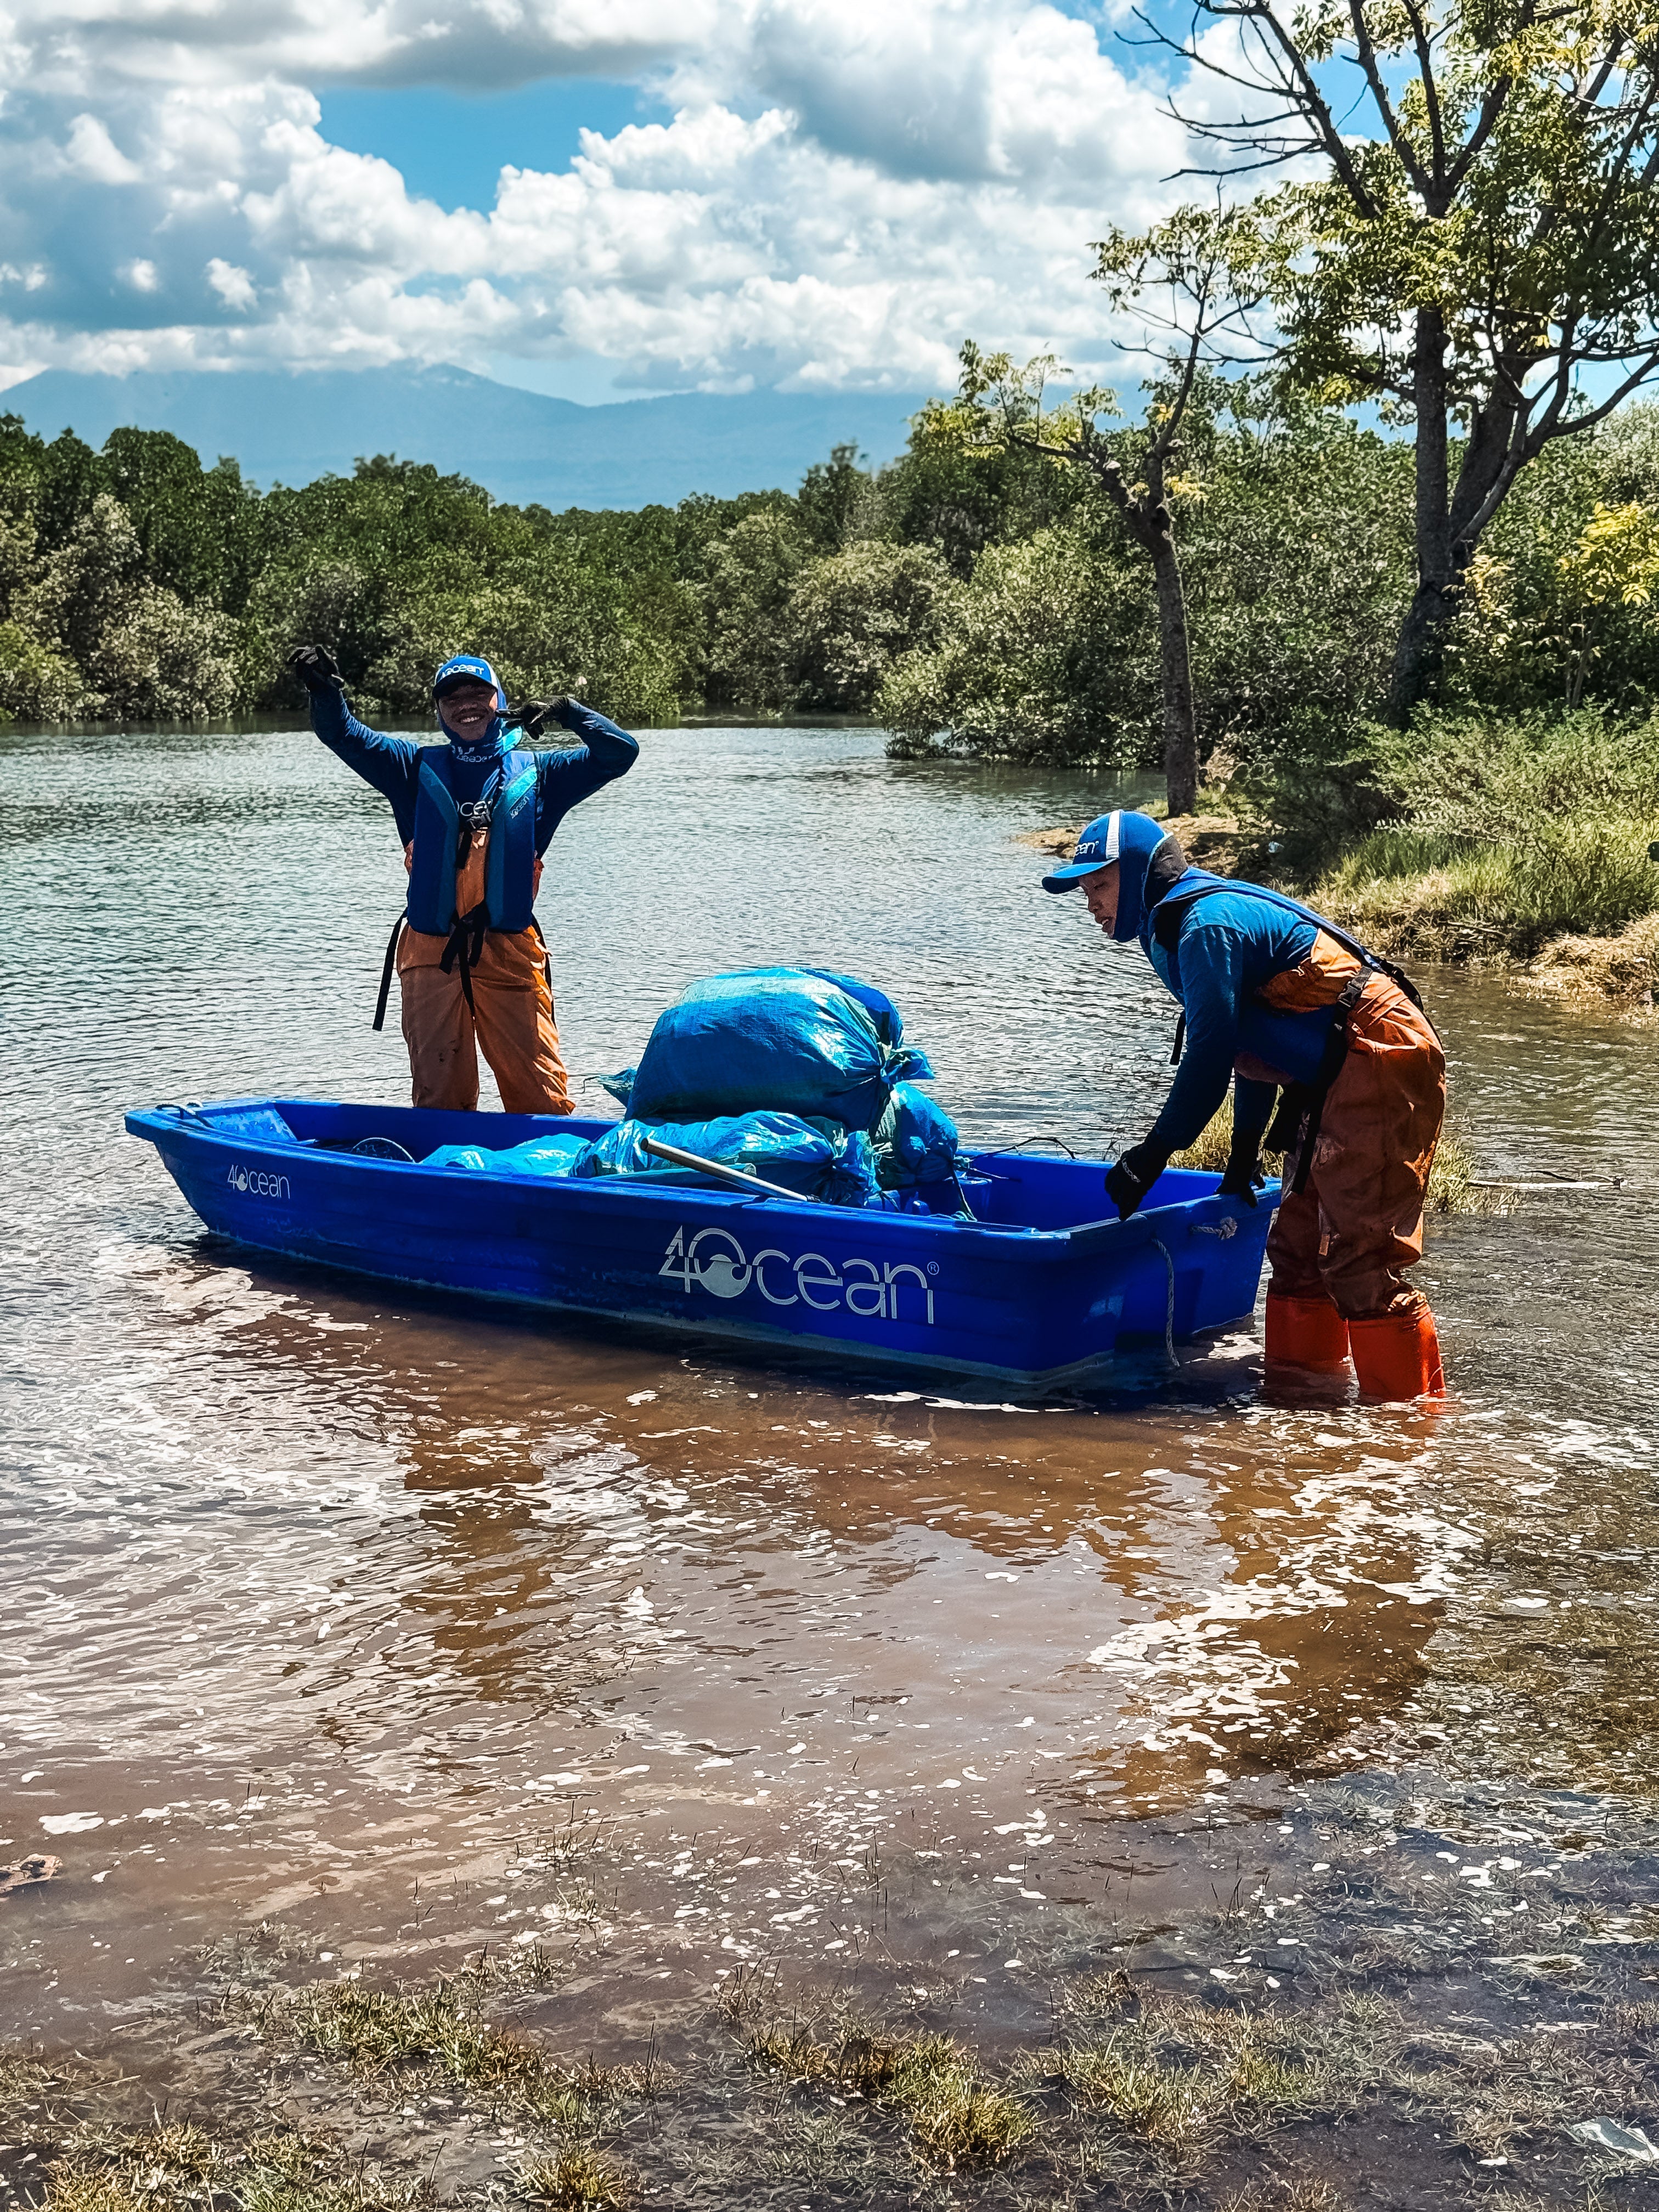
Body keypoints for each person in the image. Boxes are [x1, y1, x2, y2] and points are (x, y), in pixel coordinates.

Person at [1042, 809, 1446, 1402]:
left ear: (1138, 870)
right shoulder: (1171, 924)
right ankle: (1301, 1403)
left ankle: (1408, 1436)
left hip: (1381, 1054)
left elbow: (1209, 1055)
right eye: (1085, 891)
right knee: (1297, 1250)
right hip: (1330, 1070)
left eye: (1100, 885)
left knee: (1362, 1258)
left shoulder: (1205, 925)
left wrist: (1152, 1154)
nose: (1092, 905)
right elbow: (1249, 1049)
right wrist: (1240, 1158)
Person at [289, 645, 638, 1115]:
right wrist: (322, 688)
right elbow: (341, 733)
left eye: (479, 692)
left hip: (510, 950)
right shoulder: (409, 768)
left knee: (541, 1096)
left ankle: (547, 1182)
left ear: (501, 701)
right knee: (440, 1100)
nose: (466, 703)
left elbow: (621, 753)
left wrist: (570, 712)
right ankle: (448, 1181)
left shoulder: (544, 773)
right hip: (431, 951)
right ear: (439, 709)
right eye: (452, 697)